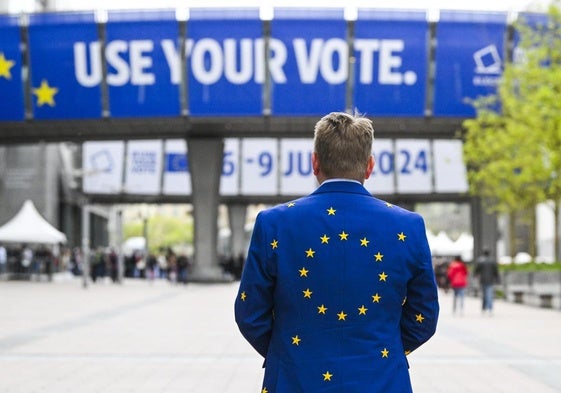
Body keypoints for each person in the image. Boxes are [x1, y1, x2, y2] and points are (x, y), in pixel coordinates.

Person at [234, 112, 439, 393]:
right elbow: (424, 318)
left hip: (295, 380)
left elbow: (249, 314)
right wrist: (379, 353)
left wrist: (291, 354)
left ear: (314, 162)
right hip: (381, 379)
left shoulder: (274, 223)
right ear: (369, 166)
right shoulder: (408, 226)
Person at [474, 248, 500, 315]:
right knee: (489, 295)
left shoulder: (480, 261)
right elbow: (496, 271)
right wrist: (497, 279)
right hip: (490, 280)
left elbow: (476, 271)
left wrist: (475, 276)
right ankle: (490, 308)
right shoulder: (492, 261)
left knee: (484, 295)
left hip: (483, 280)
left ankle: (484, 308)